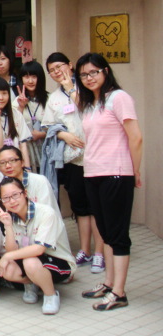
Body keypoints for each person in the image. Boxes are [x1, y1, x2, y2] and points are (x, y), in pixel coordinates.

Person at [75, 52, 142, 311]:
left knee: (117, 234)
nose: (89, 78)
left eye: (94, 72)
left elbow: (135, 137)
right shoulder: (90, 103)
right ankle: (109, 283)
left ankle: (119, 293)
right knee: (105, 232)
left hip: (117, 173)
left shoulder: (119, 98)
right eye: (84, 74)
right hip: (93, 173)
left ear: (105, 71)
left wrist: (135, 170)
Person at [42, 52, 104, 273]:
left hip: (96, 157)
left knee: (97, 207)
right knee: (81, 208)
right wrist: (63, 135)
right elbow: (48, 127)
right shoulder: (54, 98)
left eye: (59, 66)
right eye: (52, 70)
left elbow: (90, 110)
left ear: (70, 65)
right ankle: (85, 251)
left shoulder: (88, 87)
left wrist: (71, 88)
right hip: (73, 159)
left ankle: (100, 253)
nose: (57, 72)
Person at [0, 178, 76, 315]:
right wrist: (7, 226)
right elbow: (12, 250)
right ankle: (31, 283)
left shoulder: (46, 213)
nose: (12, 201)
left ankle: (50, 295)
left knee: (29, 262)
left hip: (58, 262)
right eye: (6, 198)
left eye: (15, 195)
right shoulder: (9, 217)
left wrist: (7, 256)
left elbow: (39, 249)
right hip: (31, 261)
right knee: (8, 269)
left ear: (25, 193)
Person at [0, 146, 59, 212]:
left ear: (22, 162)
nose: (8, 166)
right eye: (2, 163)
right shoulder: (3, 188)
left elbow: (47, 211)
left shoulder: (39, 181)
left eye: (12, 160)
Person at [12, 61, 49, 172]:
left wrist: (42, 134)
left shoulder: (50, 99)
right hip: (26, 153)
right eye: (26, 77)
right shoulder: (16, 101)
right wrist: (21, 107)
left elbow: (58, 125)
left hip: (47, 151)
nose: (30, 81)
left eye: (34, 77)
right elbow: (13, 126)